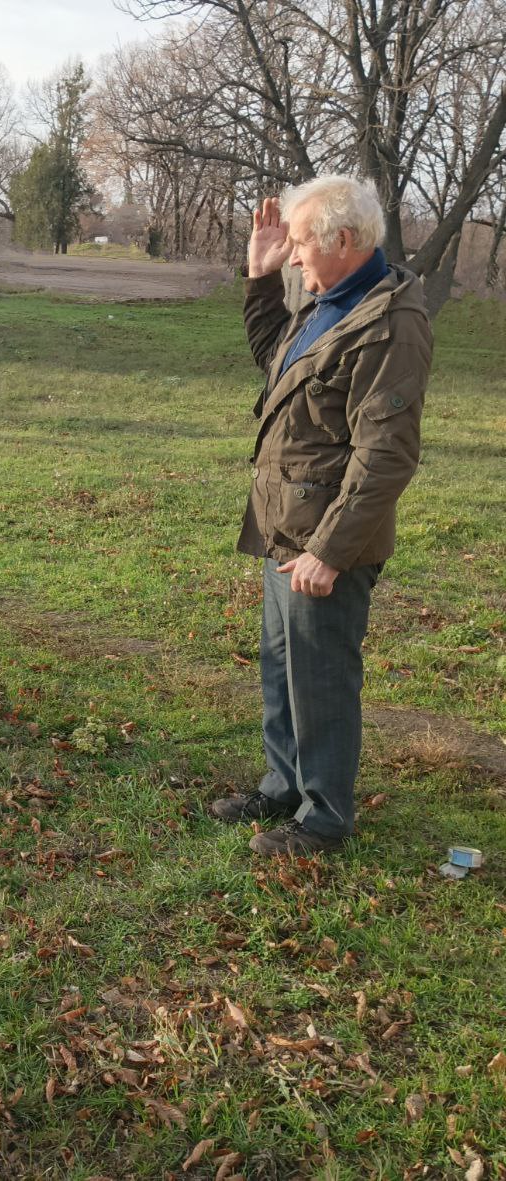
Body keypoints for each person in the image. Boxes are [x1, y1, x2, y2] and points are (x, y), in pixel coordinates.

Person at [210, 175, 431, 857]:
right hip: (286, 526)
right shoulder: (326, 301)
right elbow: (277, 366)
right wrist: (259, 280)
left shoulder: (390, 324)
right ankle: (285, 786)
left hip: (327, 539)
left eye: (303, 242)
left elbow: (386, 455)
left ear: (345, 239)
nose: (295, 254)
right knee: (284, 669)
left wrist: (329, 552)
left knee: (322, 679)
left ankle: (325, 819)